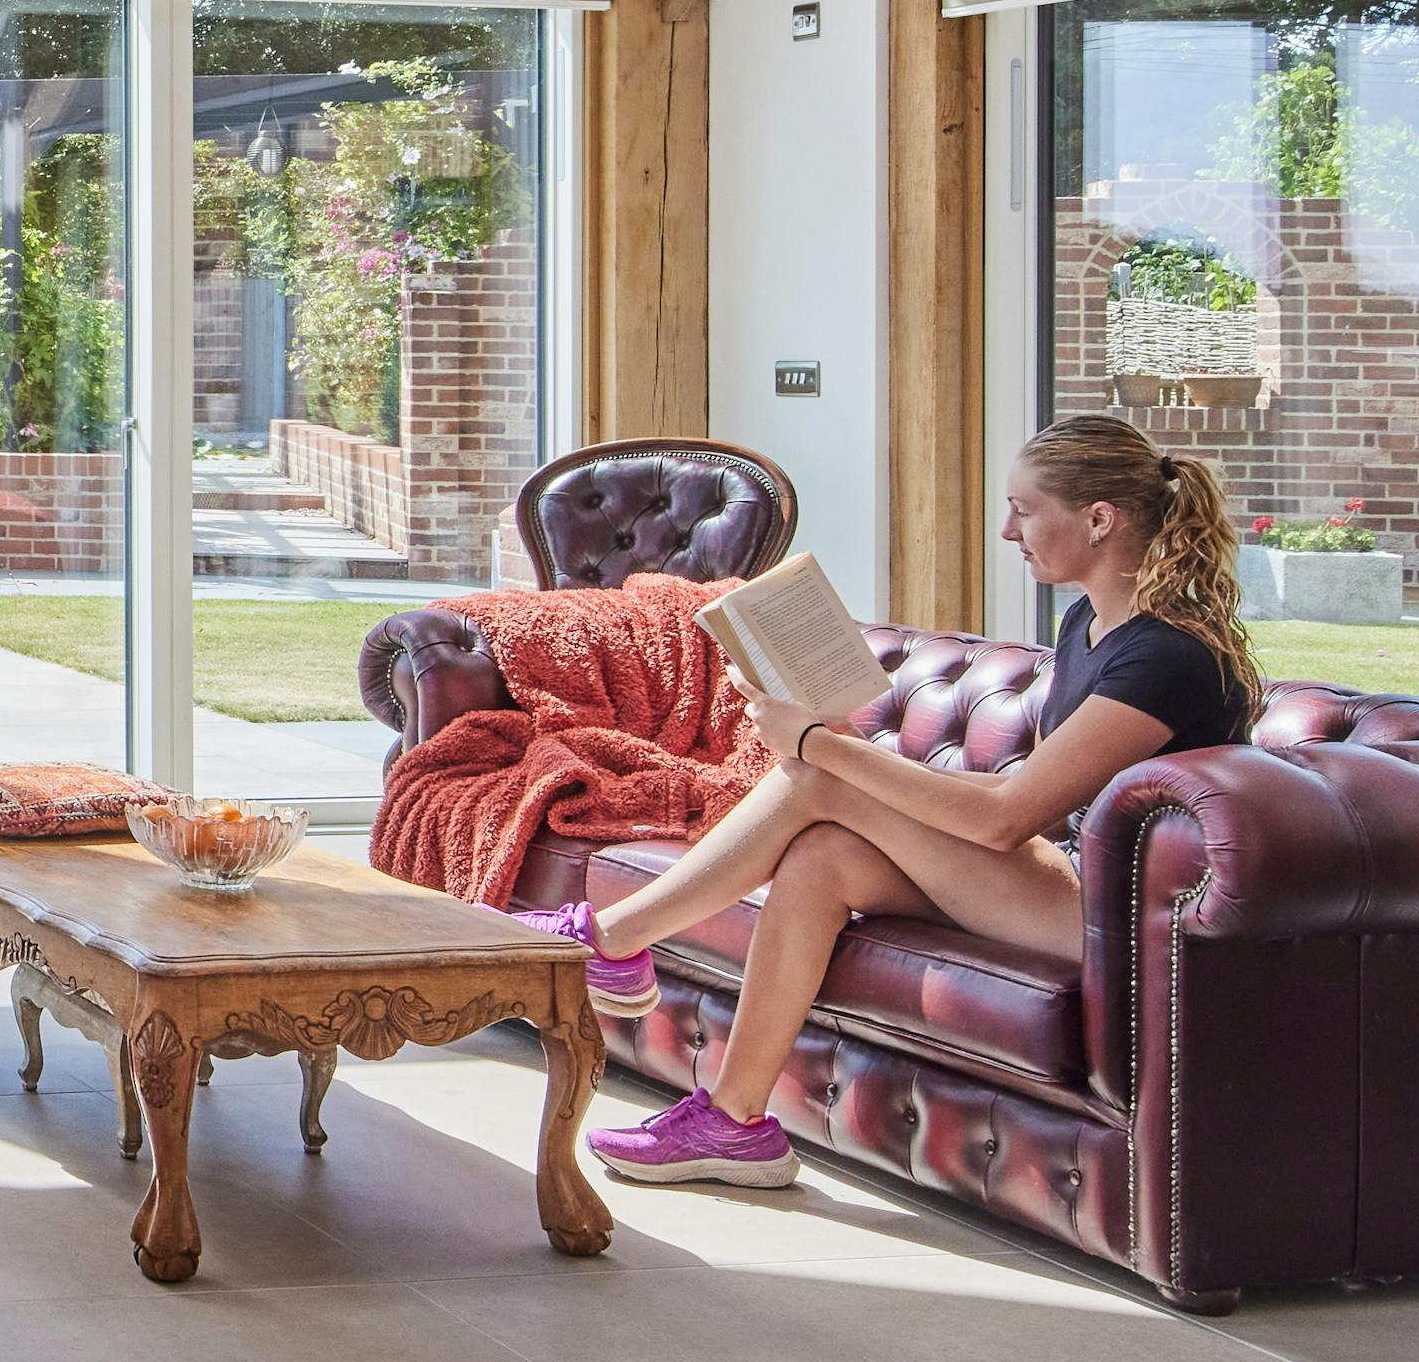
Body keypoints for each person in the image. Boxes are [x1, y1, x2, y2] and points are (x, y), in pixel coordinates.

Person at [540, 415, 1261, 1194]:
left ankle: (612, 938)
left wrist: (821, 744)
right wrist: (850, 755)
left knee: (818, 778)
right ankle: (734, 1120)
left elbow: (1008, 817)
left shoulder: (1170, 655)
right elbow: (1035, 796)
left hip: (1119, 915)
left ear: (1098, 518)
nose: (1007, 528)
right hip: (1062, 878)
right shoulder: (1089, 621)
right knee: (822, 857)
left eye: (1024, 507)